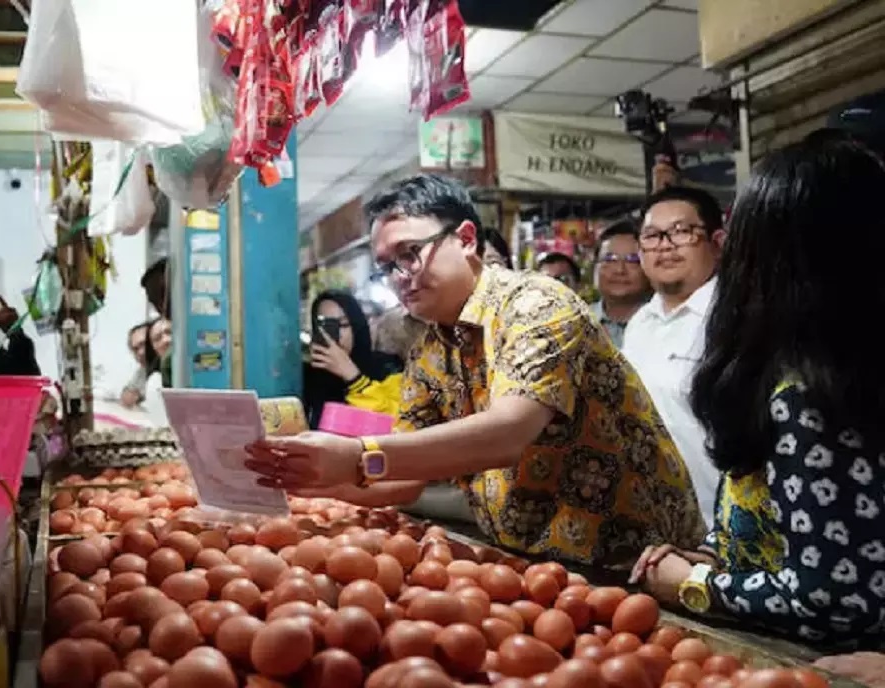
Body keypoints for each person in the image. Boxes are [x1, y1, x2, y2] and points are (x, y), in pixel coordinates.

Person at [246, 173, 704, 568]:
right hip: (539, 560)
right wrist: (314, 481)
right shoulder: (430, 347)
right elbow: (404, 475)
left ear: (466, 239)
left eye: (410, 253)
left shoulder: (536, 304)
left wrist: (354, 456)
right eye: (387, 266)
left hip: (642, 561)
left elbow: (507, 433)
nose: (400, 275)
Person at [630, 134, 885, 646]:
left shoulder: (811, 394)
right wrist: (720, 555)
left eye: (681, 232)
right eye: (652, 237)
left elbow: (831, 602)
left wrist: (698, 584)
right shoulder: (813, 366)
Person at [622, 186, 726, 527]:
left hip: (719, 527)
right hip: (651, 528)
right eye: (652, 236)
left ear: (718, 242)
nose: (665, 245)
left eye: (681, 231)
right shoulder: (639, 323)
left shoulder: (734, 319)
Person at [303, 290, 404, 428]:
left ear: (357, 327)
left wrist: (354, 378)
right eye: (325, 325)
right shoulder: (306, 376)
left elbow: (398, 423)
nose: (336, 335)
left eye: (343, 325)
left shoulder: (388, 367)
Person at [590, 221, 650, 347]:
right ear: (595, 267)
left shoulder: (666, 322)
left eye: (632, 260)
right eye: (610, 259)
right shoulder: (578, 322)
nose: (620, 270)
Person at [120, 321, 153, 409]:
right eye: (136, 349)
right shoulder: (143, 370)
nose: (141, 352)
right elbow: (127, 397)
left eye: (144, 344)